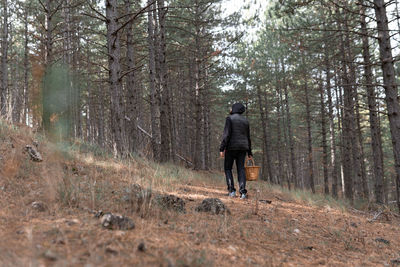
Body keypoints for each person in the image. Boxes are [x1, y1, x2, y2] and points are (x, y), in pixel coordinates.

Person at [219, 102, 253, 199]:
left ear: (234, 109)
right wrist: (249, 152)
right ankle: (243, 192)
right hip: (243, 148)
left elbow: (226, 135)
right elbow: (248, 137)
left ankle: (232, 191)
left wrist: (222, 148)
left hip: (231, 148)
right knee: (241, 169)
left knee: (228, 168)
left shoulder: (229, 119)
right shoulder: (245, 121)